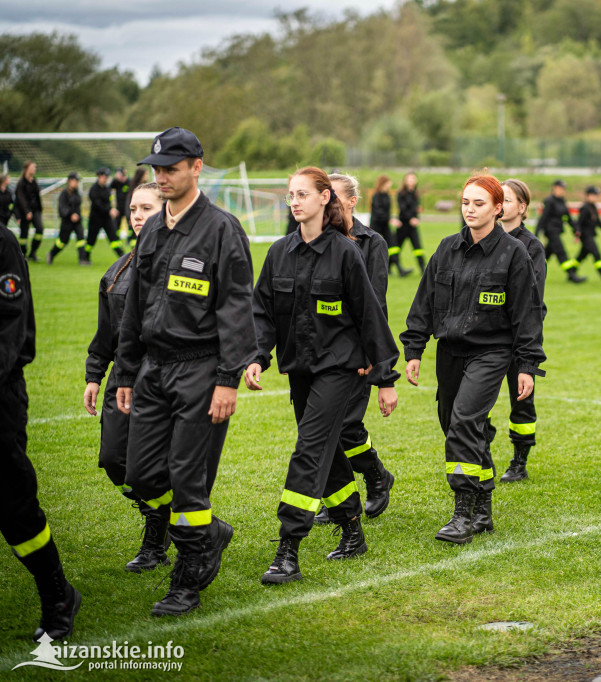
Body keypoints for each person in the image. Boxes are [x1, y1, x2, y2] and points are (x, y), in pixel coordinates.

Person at [114, 127, 257, 616]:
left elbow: (238, 307)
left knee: (188, 479)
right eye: (157, 169)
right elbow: (134, 305)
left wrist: (228, 379)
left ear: (198, 166)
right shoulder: (152, 228)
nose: (162, 177)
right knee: (141, 473)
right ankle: (212, 533)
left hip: (201, 369)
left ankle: (187, 578)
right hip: (153, 369)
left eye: (171, 168)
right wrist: (126, 373)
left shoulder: (222, 229)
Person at [247, 168, 399, 584]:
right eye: (290, 195)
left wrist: (384, 378)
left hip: (342, 368)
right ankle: (352, 530)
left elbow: (371, 316)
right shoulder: (279, 252)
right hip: (300, 369)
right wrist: (258, 355)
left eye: (302, 194)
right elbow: (261, 311)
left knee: (309, 449)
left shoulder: (347, 252)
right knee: (328, 452)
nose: (294, 202)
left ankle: (288, 549)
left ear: (324, 198)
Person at [401, 174, 545, 543]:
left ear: (498, 209)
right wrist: (414, 350)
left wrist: (527, 366)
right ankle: (483, 508)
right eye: (466, 202)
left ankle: (463, 512)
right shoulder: (446, 249)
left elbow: (527, 315)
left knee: (465, 420)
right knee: (453, 423)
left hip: (492, 352)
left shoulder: (515, 254)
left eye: (479, 203)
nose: (470, 209)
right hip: (449, 351)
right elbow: (424, 304)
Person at [1, 223, 82, 641]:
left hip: (1, 393)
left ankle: (57, 596)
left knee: (13, 504)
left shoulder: (2, 243)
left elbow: (12, 329)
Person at [83, 182, 168, 572]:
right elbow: (106, 334)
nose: (136, 215)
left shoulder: (177, 269)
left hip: (164, 377)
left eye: (146, 208)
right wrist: (94, 375)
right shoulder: (116, 272)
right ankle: (162, 515)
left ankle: (156, 537)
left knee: (146, 467)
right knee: (113, 459)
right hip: (122, 377)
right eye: (133, 208)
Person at [309, 172, 397, 522]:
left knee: (344, 426)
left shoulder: (370, 242)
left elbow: (374, 305)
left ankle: (375, 476)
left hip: (355, 352)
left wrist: (375, 362)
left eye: (333, 199)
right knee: (323, 431)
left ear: (351, 202)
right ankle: (341, 500)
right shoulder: (309, 239)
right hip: (318, 351)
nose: (327, 205)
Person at [489, 178, 546, 482]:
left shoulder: (531, 246)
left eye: (508, 200)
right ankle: (480, 449)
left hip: (518, 336)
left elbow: (532, 297)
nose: (502, 205)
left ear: (522, 207)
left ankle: (519, 460)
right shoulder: (486, 239)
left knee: (521, 399)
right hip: (485, 335)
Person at [535, 179, 586, 283]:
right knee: (561, 252)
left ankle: (533, 272)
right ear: (555, 188)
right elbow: (543, 217)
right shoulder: (549, 201)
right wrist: (537, 232)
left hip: (557, 230)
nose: (563, 191)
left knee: (545, 254)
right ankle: (571, 275)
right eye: (561, 188)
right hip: (550, 231)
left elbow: (568, 217)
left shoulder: (562, 201)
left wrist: (576, 229)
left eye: (564, 189)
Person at [371, 174, 411, 277]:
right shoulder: (376, 196)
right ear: (383, 183)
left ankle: (399, 269)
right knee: (374, 248)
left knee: (393, 246)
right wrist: (390, 220)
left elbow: (387, 212)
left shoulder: (387, 195)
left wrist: (390, 219)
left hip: (385, 226)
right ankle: (371, 269)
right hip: (376, 226)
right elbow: (378, 212)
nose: (390, 184)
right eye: (388, 182)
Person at [575, 185, 601, 283]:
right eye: (595, 195)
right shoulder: (584, 208)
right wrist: (577, 235)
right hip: (586, 237)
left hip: (591, 235)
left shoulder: (593, 207)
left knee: (581, 256)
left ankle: (571, 272)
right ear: (589, 195)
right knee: (596, 254)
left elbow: (597, 221)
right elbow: (579, 223)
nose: (596, 197)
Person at [85, 167, 126, 264]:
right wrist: (109, 210)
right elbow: (97, 203)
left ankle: (123, 257)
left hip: (106, 219)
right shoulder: (93, 189)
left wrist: (111, 210)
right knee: (91, 240)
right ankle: (85, 257)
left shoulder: (107, 188)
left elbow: (108, 202)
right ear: (99, 176)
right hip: (95, 219)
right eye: (103, 176)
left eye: (107, 177)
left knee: (114, 238)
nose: (105, 178)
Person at [46, 173, 87, 265]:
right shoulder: (63, 194)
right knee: (62, 241)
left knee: (81, 238)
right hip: (67, 222)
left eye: (78, 181)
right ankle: (51, 254)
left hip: (77, 221)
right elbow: (62, 208)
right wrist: (71, 215)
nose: (77, 183)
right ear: (70, 181)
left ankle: (82, 260)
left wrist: (77, 216)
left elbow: (77, 207)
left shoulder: (77, 194)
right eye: (75, 181)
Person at [395, 172, 426, 274]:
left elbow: (416, 209)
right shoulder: (401, 193)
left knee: (418, 248)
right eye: (409, 178)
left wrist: (416, 218)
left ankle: (423, 269)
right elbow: (403, 209)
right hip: (403, 225)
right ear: (405, 181)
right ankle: (388, 268)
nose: (412, 180)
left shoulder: (415, 193)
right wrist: (411, 219)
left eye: (413, 178)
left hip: (413, 227)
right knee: (396, 248)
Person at [15, 161, 44, 261]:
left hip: (35, 210)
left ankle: (33, 252)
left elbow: (36, 197)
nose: (34, 169)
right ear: (26, 169)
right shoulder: (21, 183)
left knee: (40, 229)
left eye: (35, 167)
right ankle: (23, 254)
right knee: (24, 234)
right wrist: (26, 211)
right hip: (24, 212)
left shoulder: (34, 181)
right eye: (32, 167)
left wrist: (39, 209)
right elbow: (20, 198)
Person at [112, 167, 131, 234]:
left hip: (128, 206)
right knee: (116, 223)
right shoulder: (116, 182)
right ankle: (117, 238)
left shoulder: (129, 181)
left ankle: (130, 239)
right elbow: (109, 188)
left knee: (129, 223)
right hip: (119, 207)